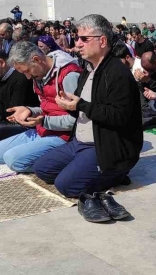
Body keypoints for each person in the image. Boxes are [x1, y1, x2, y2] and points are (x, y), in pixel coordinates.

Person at [33, 14, 142, 201]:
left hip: (105, 146)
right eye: (77, 38)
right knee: (42, 169)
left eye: (84, 39)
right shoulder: (88, 69)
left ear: (102, 41)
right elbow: (81, 108)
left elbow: (119, 116)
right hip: (79, 142)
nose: (78, 44)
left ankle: (117, 173)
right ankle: (89, 168)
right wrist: (69, 104)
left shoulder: (118, 73)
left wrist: (81, 104)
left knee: (66, 185)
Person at [0, 42, 82, 172]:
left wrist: (43, 121)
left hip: (64, 137)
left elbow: (77, 120)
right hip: (43, 130)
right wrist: (29, 110)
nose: (28, 77)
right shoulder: (39, 74)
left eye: (27, 71)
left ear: (36, 60)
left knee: (13, 160)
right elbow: (46, 107)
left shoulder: (69, 75)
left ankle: (65, 161)